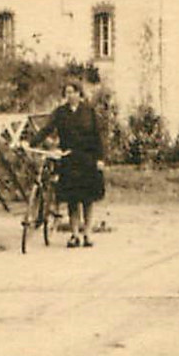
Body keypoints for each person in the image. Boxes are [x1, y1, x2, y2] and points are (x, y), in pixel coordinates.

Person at [33, 81, 105, 248]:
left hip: (87, 159)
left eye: (73, 92)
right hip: (69, 159)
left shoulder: (89, 112)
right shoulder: (60, 113)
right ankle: (74, 235)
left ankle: (87, 233)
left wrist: (100, 159)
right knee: (72, 199)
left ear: (80, 94)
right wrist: (32, 142)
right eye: (67, 92)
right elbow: (47, 129)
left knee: (87, 199)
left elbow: (97, 136)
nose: (70, 95)